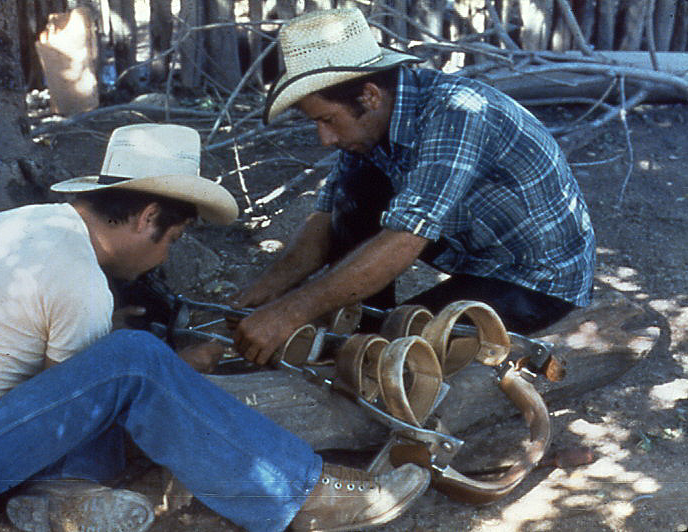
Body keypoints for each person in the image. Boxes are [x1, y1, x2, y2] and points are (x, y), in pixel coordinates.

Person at [0, 124, 428, 532]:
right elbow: (79, 412)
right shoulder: (77, 277)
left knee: (132, 358)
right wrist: (174, 369)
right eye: (170, 239)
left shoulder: (24, 223)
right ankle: (301, 491)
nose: (164, 253)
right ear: (148, 218)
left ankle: (64, 497)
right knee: (136, 361)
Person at [232, 8, 596, 365]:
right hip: (477, 249)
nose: (324, 138)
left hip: (537, 279)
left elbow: (405, 239)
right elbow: (326, 220)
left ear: (370, 96)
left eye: (328, 120)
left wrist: (290, 312)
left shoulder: (458, 114)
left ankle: (369, 330)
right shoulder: (371, 125)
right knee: (355, 189)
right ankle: (364, 318)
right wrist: (266, 291)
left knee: (392, 348)